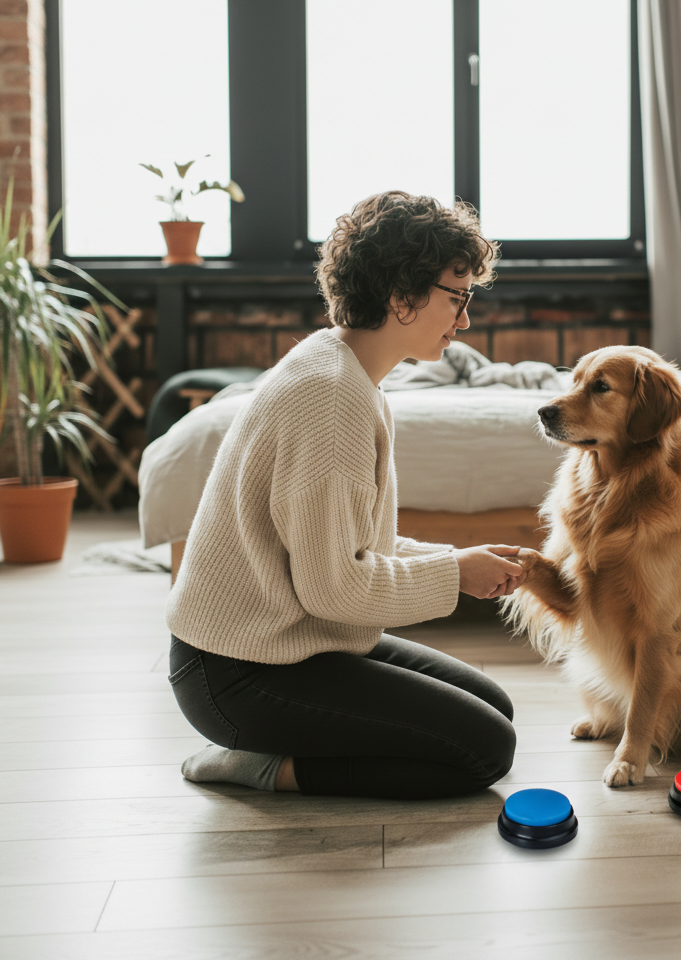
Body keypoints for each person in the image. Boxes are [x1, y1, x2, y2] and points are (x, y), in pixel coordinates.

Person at [165, 191, 525, 800]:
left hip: (292, 641)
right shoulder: (331, 399)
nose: (465, 321)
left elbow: (350, 547)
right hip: (236, 673)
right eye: (456, 297)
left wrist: (453, 561)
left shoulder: (343, 369)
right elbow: (333, 586)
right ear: (401, 295)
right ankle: (260, 766)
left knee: (493, 707)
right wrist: (454, 575)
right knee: (485, 750)